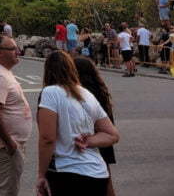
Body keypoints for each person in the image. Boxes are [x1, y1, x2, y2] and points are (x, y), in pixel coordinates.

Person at [35, 51, 119, 195]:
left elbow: (47, 138)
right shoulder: (86, 94)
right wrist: (89, 141)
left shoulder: (50, 92)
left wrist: (41, 175)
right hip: (97, 173)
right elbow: (112, 135)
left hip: (67, 172)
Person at [0, 35, 32, 196]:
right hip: (5, 146)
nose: (18, 51)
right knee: (7, 191)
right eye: (13, 49)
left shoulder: (1, 71)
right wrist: (9, 142)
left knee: (8, 189)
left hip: (7, 143)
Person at [73, 57, 117, 196]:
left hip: (92, 139)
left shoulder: (82, 93)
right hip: (105, 138)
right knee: (107, 180)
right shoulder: (100, 89)